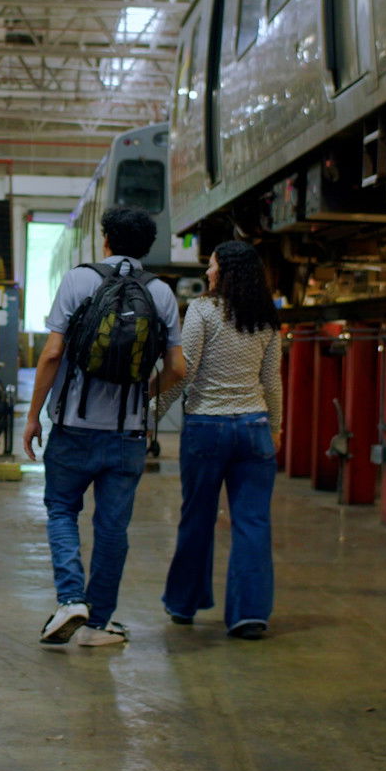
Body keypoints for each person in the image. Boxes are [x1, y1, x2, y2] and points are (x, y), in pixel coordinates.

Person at [23, 205, 185, 647]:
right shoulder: (162, 293)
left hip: (73, 426)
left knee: (61, 510)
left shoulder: (79, 279)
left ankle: (72, 599)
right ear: (147, 247)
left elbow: (52, 354)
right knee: (112, 529)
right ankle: (99, 625)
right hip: (127, 434)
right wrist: (147, 395)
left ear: (106, 240)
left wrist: (33, 415)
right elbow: (178, 367)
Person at [159, 240, 283, 640]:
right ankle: (249, 615)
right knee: (253, 522)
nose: (207, 272)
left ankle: (184, 603)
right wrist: (276, 428)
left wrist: (149, 417)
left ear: (225, 271)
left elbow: (184, 370)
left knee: (197, 518)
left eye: (211, 266)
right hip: (254, 429)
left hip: (207, 430)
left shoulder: (203, 311)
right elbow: (272, 382)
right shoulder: (266, 318)